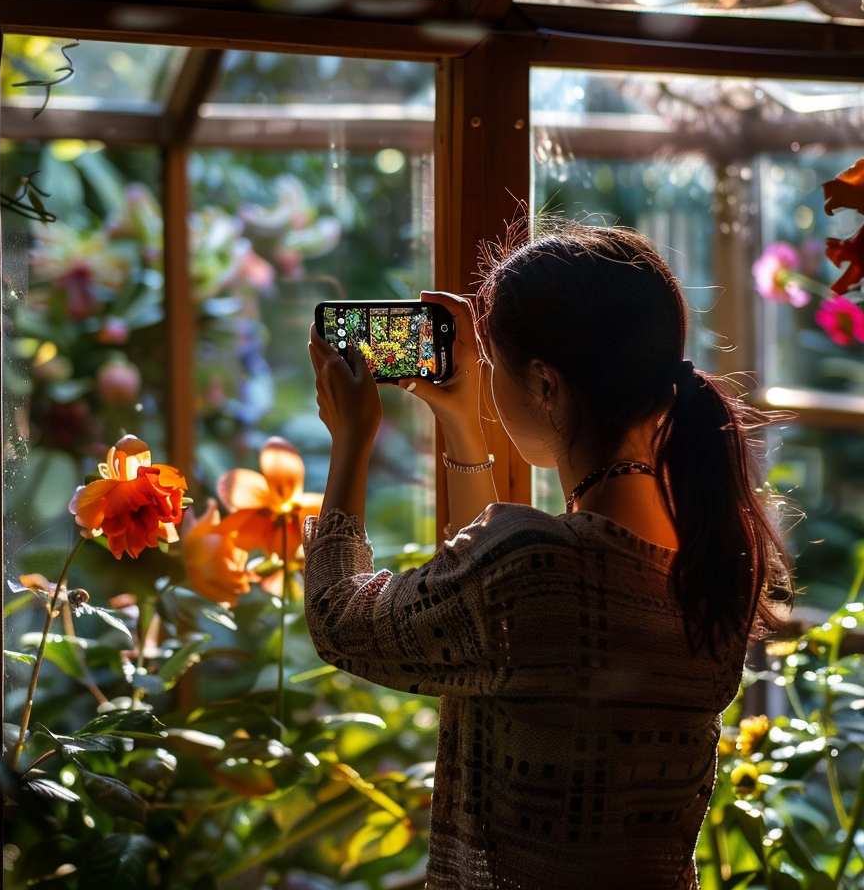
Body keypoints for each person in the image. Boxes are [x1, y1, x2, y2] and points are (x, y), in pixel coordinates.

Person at [304, 218, 793, 890]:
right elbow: (495, 617)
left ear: (544, 384)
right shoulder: (708, 567)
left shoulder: (532, 567)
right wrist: (462, 424)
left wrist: (351, 439)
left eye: (497, 368)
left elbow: (340, 620)